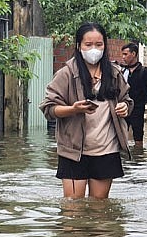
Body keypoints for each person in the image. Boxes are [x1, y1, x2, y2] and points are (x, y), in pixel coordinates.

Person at [39, 22, 133, 199]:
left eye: (99, 45)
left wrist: (125, 107)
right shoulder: (66, 74)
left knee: (100, 211)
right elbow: (48, 108)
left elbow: (127, 100)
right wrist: (73, 109)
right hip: (73, 151)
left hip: (107, 150)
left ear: (105, 46)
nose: (94, 49)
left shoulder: (114, 73)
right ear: (78, 46)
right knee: (73, 211)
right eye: (88, 45)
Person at [120, 42, 147, 149]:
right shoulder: (121, 71)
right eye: (122, 54)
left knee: (138, 136)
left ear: (133, 54)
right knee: (119, 135)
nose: (123, 57)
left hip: (138, 108)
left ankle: (138, 155)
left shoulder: (145, 72)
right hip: (123, 107)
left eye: (125, 54)